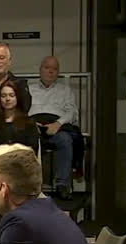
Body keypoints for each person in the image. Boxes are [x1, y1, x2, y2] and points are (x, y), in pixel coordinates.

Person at [29, 56, 83, 198]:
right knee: (25, 139)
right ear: (40, 70)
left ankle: (62, 185)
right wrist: (31, 124)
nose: (51, 71)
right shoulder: (29, 89)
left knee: (65, 139)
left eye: (54, 69)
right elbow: (21, 110)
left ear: (58, 72)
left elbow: (72, 112)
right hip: (33, 125)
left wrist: (58, 124)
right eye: (47, 67)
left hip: (57, 126)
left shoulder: (65, 91)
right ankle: (30, 185)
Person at [0, 80, 40, 154]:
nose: (7, 99)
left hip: (23, 159)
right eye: (3, 96)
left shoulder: (29, 122)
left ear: (18, 97)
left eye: (11, 95)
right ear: (0, 99)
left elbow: (32, 149)